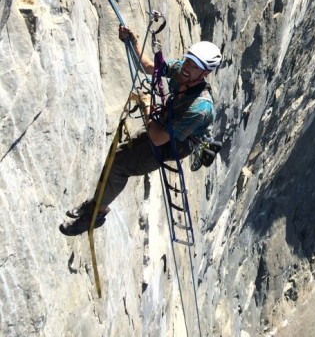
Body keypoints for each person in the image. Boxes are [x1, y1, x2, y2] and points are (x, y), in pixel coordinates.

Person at [59, 25, 222, 236]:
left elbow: (157, 139)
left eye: (195, 66)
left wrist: (147, 106)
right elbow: (149, 66)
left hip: (174, 144)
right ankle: (97, 201)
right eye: (189, 60)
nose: (188, 67)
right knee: (118, 155)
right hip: (166, 122)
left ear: (205, 73)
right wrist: (133, 41)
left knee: (119, 166)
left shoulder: (199, 108)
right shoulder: (183, 70)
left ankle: (96, 215)